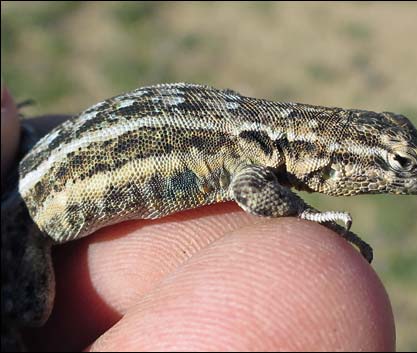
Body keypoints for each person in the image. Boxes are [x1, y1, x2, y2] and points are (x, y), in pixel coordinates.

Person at [1, 86, 395, 351]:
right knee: (31, 309)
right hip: (26, 216)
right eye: (399, 165)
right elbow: (250, 192)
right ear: (339, 160)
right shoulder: (256, 155)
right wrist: (306, 213)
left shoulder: (263, 132)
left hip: (45, 160)